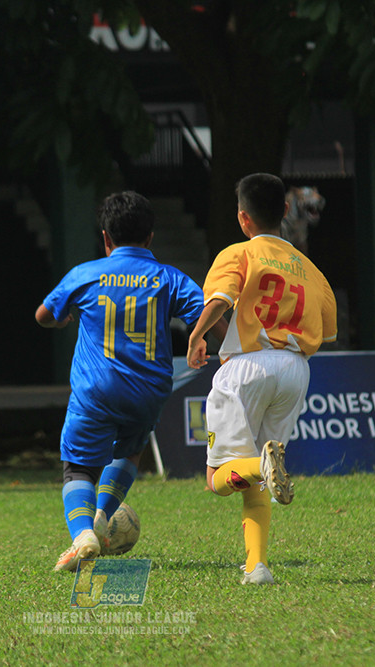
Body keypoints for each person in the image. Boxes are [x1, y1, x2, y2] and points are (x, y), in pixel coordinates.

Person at [36, 190, 226, 572]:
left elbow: (42, 315)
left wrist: (63, 317)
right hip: (149, 391)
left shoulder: (85, 274)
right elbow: (213, 321)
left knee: (79, 468)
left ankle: (82, 533)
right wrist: (202, 339)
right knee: (128, 453)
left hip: (96, 389)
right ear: (151, 238)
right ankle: (102, 518)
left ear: (105, 238)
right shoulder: (169, 277)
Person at [186, 173, 338, 585]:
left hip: (247, 367)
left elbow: (221, 298)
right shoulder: (310, 269)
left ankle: (260, 464)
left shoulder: (238, 253)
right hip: (295, 370)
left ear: (242, 218)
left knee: (218, 479)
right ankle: (257, 567)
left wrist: (198, 335)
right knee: (255, 477)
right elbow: (329, 332)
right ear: (286, 210)